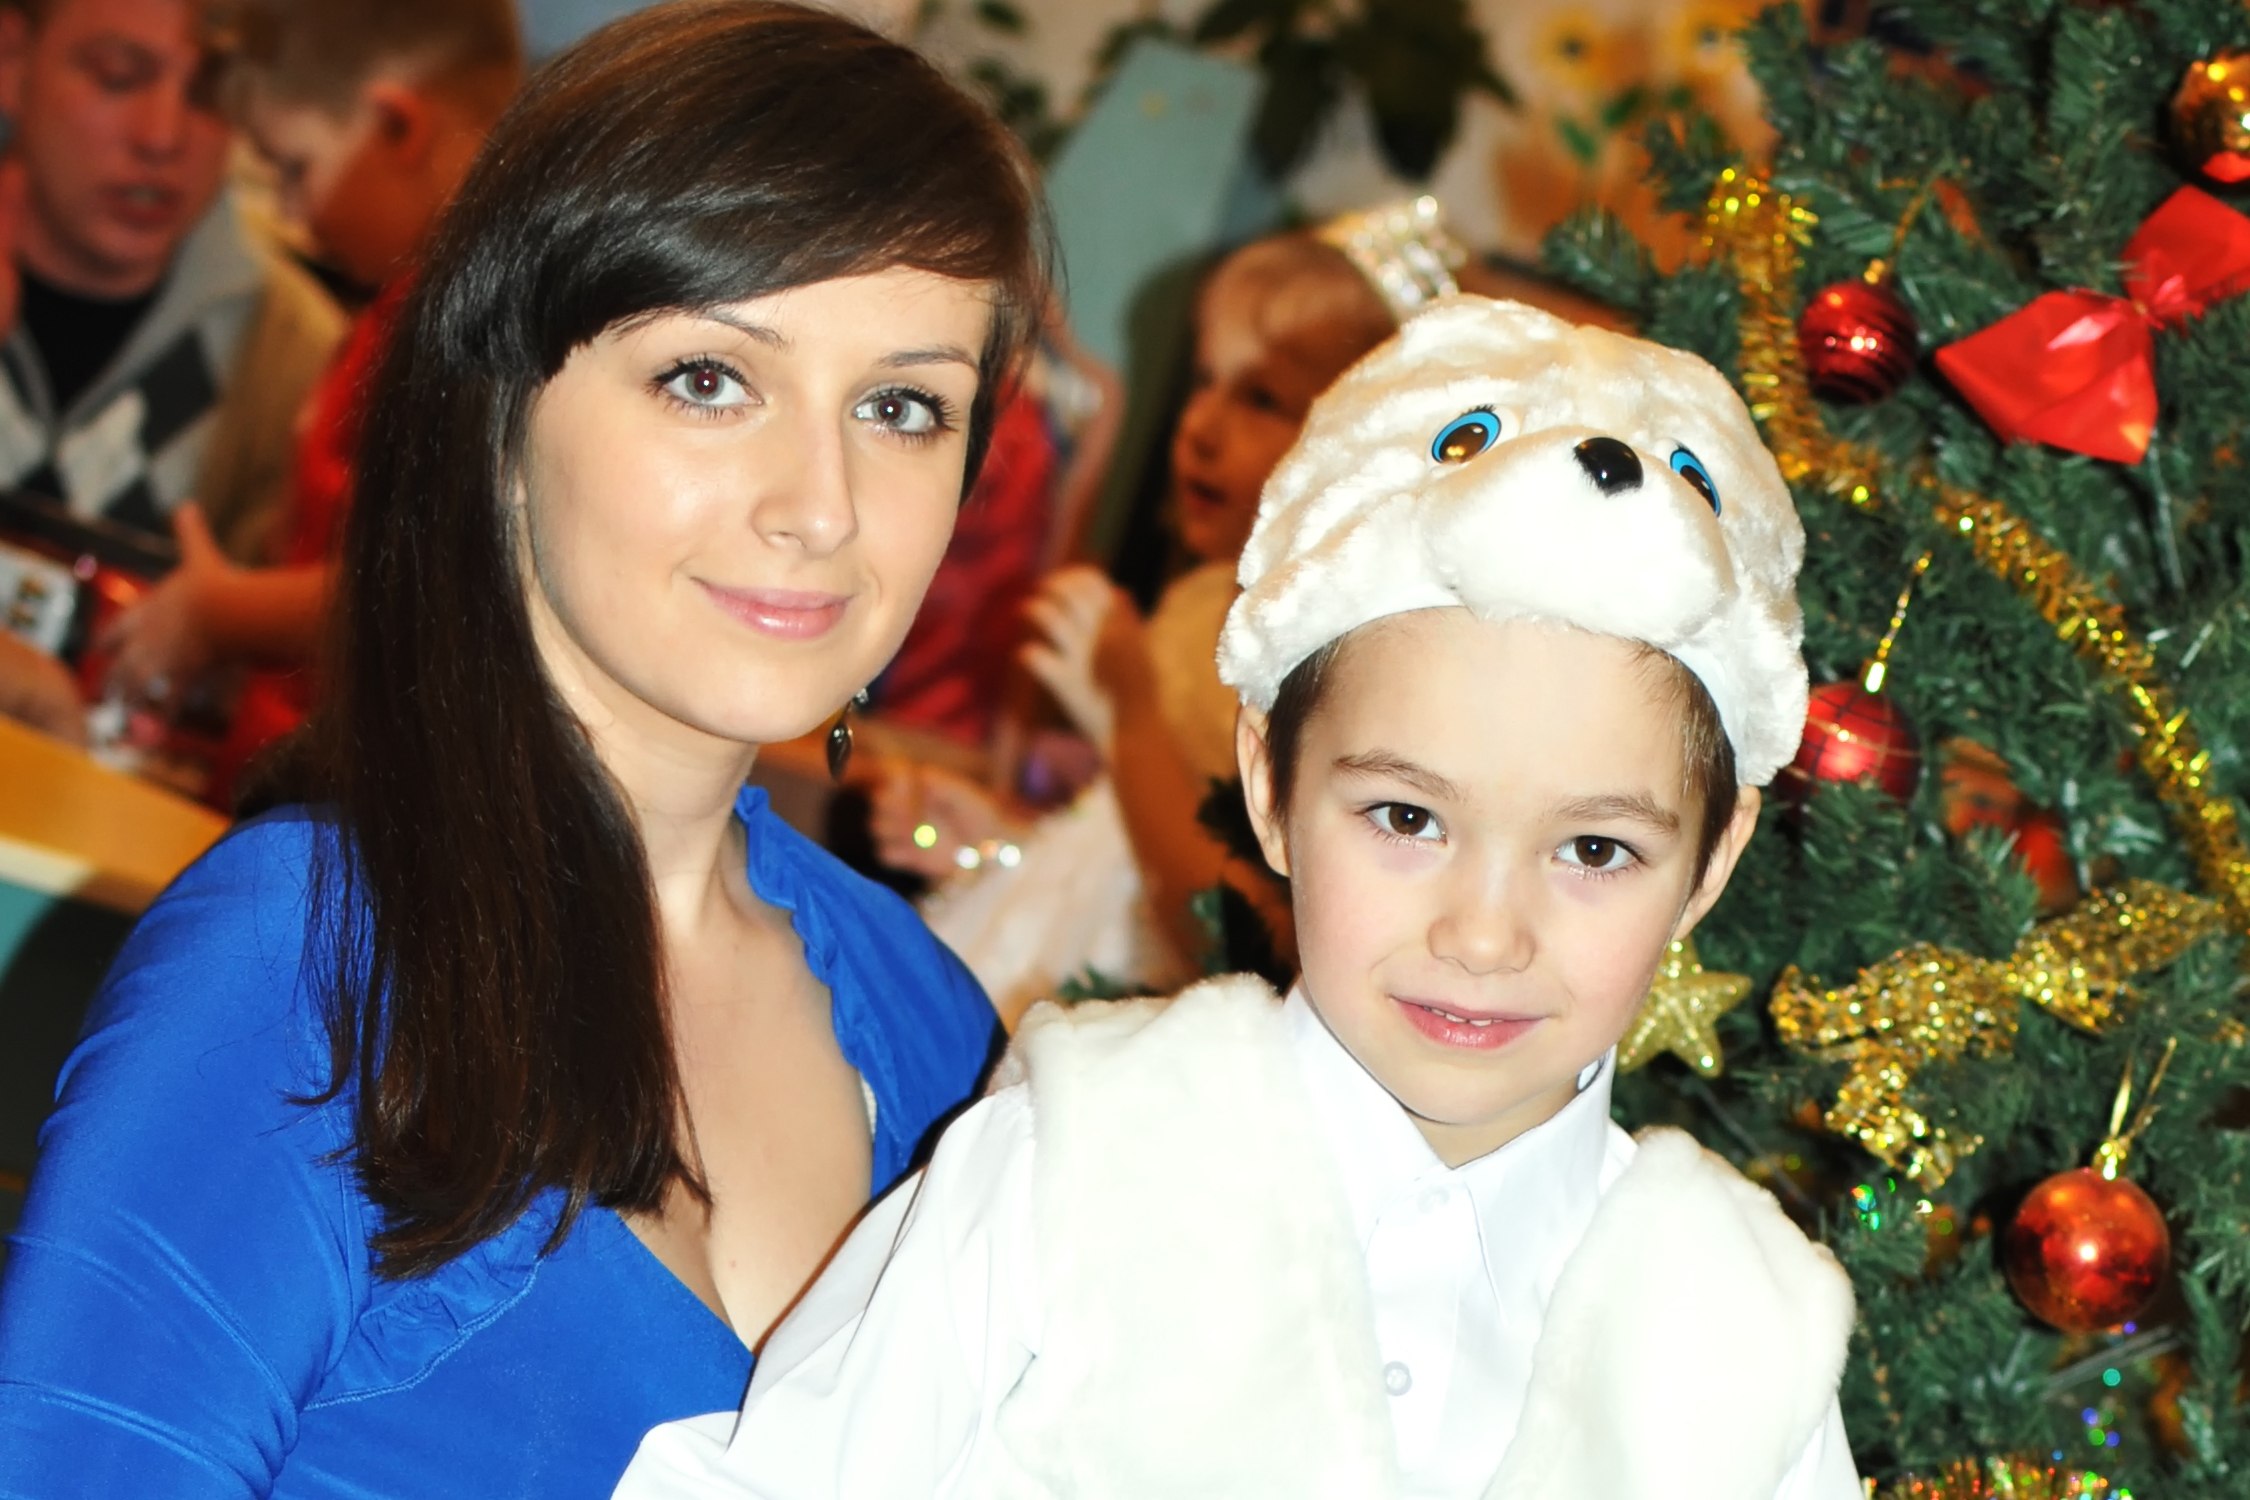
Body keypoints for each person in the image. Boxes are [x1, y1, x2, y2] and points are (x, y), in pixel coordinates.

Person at [0, 3, 1043, 1495]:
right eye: (710, 379)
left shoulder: (928, 1024)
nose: (821, 504)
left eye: (901, 406)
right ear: (500, 411)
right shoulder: (305, 967)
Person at [615, 293, 1861, 1498]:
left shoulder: (1745, 1331)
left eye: (1591, 850)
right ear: (1269, 782)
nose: (1484, 936)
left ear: (1712, 859)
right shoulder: (1079, 1159)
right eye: (1407, 820)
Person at [873, 228, 1401, 1019]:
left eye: (1261, 399)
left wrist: (1130, 713)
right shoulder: (1197, 607)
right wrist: (997, 844)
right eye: (1205, 380)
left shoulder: (1314, 663)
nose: (1202, 426)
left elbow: (1233, 934)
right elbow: (1121, 853)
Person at [96, 0, 526, 794]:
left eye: (294, 169)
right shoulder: (395, 315)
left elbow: (421, 597)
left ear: (397, 127)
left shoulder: (479, 335)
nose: (292, 216)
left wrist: (219, 612)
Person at [0, 0, 342, 561]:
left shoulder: (299, 362)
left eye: (210, 91)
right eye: (118, 76)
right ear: (12, 60)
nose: (162, 137)